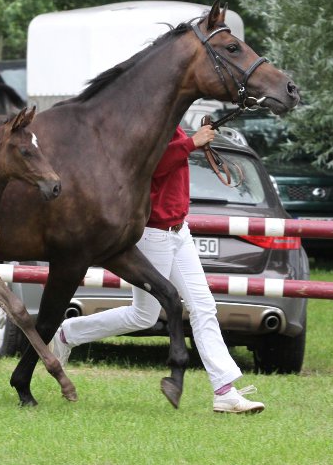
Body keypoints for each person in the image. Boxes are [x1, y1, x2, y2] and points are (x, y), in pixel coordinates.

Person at [50, 122, 266, 414]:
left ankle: (225, 391)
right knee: (144, 315)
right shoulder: (151, 126)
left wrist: (194, 140)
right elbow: (152, 164)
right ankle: (67, 333)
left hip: (180, 231)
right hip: (154, 233)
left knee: (203, 307)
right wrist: (191, 144)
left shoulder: (174, 123)